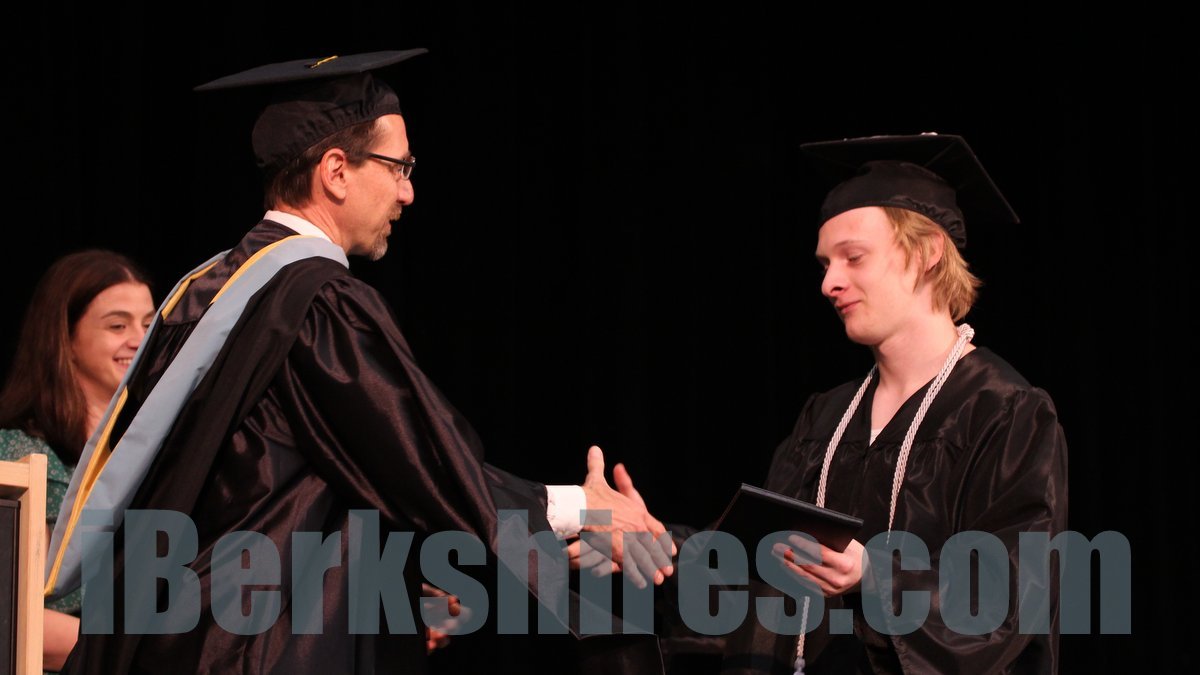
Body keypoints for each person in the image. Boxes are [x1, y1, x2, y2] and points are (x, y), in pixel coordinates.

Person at [47, 51, 673, 675]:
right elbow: (425, 464)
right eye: (399, 167)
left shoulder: (206, 290)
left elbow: (299, 484)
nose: (408, 191)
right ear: (337, 171)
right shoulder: (317, 301)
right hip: (247, 649)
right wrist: (584, 509)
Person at [717, 134, 1069, 674]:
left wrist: (876, 576)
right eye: (824, 264)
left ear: (927, 253)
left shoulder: (1003, 412)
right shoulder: (825, 418)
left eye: (853, 257)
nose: (829, 283)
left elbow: (1009, 597)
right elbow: (754, 559)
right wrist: (651, 543)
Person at [0, 250, 154, 672]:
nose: (139, 339)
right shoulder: (17, 456)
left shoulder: (162, 451)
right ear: (65, 340)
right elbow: (11, 612)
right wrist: (136, 655)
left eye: (148, 324)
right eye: (118, 325)